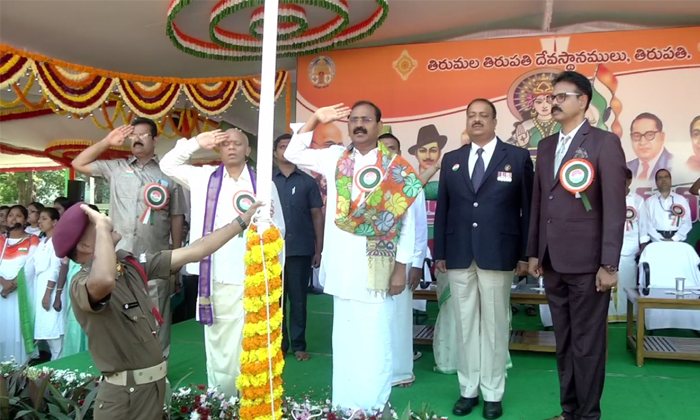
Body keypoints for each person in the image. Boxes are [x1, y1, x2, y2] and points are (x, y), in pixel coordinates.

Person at [56, 201, 262, 420]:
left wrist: (241, 222)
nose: (106, 220)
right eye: (97, 223)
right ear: (86, 247)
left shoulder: (127, 266)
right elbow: (104, 280)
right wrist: (101, 226)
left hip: (151, 391)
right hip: (125, 399)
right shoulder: (82, 283)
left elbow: (195, 251)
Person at [285, 102, 421, 410]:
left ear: (379, 124)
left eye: (366, 120)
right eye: (355, 120)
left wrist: (401, 267)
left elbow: (407, 223)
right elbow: (293, 154)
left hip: (378, 269)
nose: (359, 125)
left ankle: (373, 407)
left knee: (374, 340)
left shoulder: (396, 167)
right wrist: (316, 119)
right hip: (343, 267)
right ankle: (345, 407)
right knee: (345, 342)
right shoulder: (335, 158)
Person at [527, 71, 627, 420]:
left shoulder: (603, 143)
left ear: (582, 101)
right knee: (564, 342)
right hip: (553, 261)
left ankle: (588, 415)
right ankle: (569, 411)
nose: (553, 102)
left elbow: (614, 207)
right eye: (552, 96)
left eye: (561, 96)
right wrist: (535, 252)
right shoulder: (546, 146)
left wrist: (609, 264)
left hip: (589, 264)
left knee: (588, 345)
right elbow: (540, 202)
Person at [160, 125, 285, 397]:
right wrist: (195, 142)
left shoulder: (264, 184)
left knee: (253, 341)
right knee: (219, 344)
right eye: (225, 143)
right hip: (216, 274)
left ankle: (252, 398)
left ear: (248, 150)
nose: (231, 147)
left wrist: (272, 272)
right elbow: (167, 164)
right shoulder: (204, 178)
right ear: (218, 149)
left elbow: (280, 230)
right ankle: (222, 398)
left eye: (237, 143)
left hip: (252, 275)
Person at [433, 98, 533, 419]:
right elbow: (444, 210)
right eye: (471, 116)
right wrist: (441, 253)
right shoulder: (452, 159)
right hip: (460, 253)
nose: (477, 120)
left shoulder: (516, 158)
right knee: (464, 325)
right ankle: (468, 390)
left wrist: (524, 255)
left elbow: (527, 210)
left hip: (499, 253)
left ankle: (493, 392)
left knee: (494, 325)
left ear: (494, 122)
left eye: (483, 116)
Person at [72, 119, 188, 359]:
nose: (137, 139)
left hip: (156, 257)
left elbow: (177, 218)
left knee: (157, 314)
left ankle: (160, 365)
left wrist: (176, 257)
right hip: (119, 259)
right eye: (133, 135)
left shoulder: (170, 173)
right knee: (119, 312)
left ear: (155, 139)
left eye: (144, 135)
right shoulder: (115, 168)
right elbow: (78, 163)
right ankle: (122, 365)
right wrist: (107, 141)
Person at [378, 132, 428, 388]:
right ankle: (376, 369)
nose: (388, 152)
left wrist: (416, 264)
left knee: (399, 316)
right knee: (374, 315)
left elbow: (419, 228)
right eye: (383, 148)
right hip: (371, 259)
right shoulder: (367, 180)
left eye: (393, 148)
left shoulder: (409, 182)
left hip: (402, 258)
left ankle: (400, 371)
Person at [273, 133, 324, 362]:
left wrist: (319, 248)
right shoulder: (265, 181)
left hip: (300, 250)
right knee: (275, 300)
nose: (285, 151)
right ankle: (278, 345)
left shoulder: (307, 181)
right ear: (274, 153)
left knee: (298, 299)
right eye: (281, 147)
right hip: (271, 251)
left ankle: (299, 345)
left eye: (289, 147)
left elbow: (317, 216)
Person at [0, 205, 41, 364]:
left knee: (18, 329)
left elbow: (31, 265)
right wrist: (3, 282)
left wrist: (13, 284)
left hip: (21, 292)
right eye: (11, 215)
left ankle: (19, 368)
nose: (13, 219)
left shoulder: (32, 239)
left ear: (25, 220)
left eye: (18, 216)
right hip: (2, 290)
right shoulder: (2, 240)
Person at [609, 168, 649, 322]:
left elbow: (643, 226)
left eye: (624, 179)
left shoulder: (637, 200)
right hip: (610, 248)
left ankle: (627, 315)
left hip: (630, 248)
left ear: (630, 180)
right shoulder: (609, 197)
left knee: (627, 282)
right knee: (610, 283)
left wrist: (643, 247)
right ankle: (610, 315)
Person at [30, 208, 66, 360]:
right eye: (40, 218)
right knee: (46, 331)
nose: (39, 221)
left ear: (55, 222)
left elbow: (56, 269)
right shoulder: (42, 241)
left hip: (51, 289)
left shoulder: (58, 241)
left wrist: (48, 294)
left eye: (44, 218)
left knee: (55, 332)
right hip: (40, 286)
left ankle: (59, 371)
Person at [645, 169, 691, 243]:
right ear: (656, 182)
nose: (663, 180)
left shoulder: (681, 200)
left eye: (666, 177)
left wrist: (674, 239)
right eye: (660, 178)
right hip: (656, 242)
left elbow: (687, 223)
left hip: (677, 241)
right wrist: (660, 240)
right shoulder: (649, 202)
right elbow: (647, 225)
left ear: (670, 180)